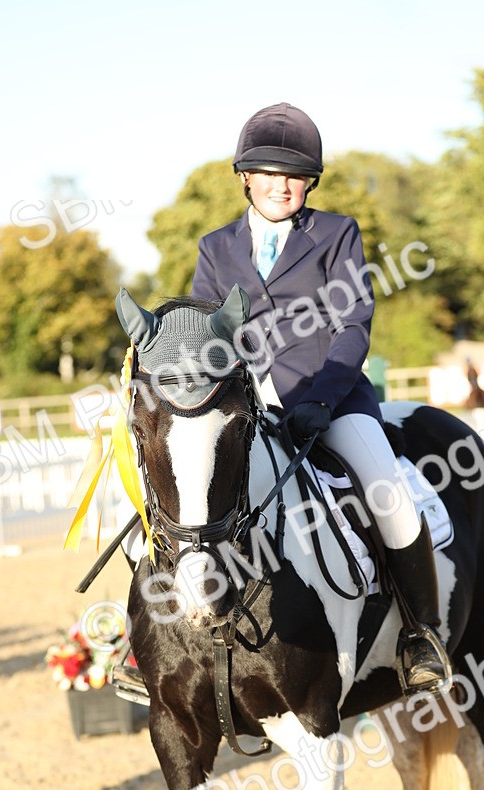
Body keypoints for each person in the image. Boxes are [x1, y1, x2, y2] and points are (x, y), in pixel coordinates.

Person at [190, 102, 449, 694]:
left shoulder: (336, 233)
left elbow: (352, 323)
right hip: (250, 408)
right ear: (245, 177)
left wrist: (323, 401)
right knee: (183, 494)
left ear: (309, 182)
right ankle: (153, 640)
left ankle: (421, 634)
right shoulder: (215, 247)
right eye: (269, 173)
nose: (282, 186)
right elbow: (209, 331)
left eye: (296, 176)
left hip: (331, 401)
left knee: (387, 492)